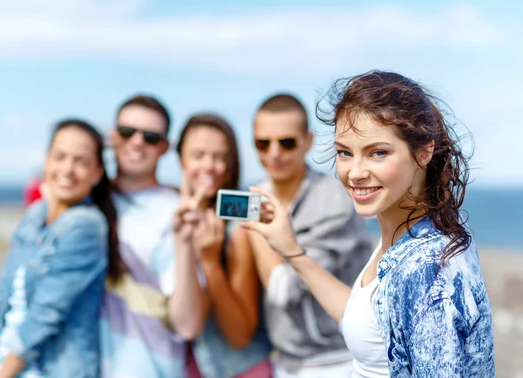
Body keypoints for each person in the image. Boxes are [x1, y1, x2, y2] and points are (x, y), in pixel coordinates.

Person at [242, 71, 495, 377]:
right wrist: (291, 251)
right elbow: (366, 320)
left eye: (378, 152)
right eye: (344, 153)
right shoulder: (402, 236)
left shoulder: (427, 267)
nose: (355, 172)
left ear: (424, 151)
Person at [0, 119, 125, 378]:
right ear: (46, 161)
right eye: (60, 157)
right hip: (4, 367)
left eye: (81, 161)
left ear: (97, 173)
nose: (68, 169)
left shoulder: (86, 226)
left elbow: (44, 318)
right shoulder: (34, 215)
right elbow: (0, 299)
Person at [248, 94, 372, 377]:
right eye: (263, 143)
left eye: (287, 142)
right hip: (284, 360)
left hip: (334, 360)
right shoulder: (257, 194)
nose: (274, 153)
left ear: (308, 141)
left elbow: (285, 290)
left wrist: (255, 230)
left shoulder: (333, 201)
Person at [100, 94, 209, 378]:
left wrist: (184, 243)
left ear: (164, 147)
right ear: (112, 136)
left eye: (149, 136)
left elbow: (187, 324)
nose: (136, 142)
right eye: (127, 131)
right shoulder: (89, 202)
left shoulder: (174, 212)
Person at [176, 113, 272, 377]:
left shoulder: (239, 228)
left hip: (241, 369)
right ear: (180, 158)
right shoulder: (171, 212)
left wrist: (210, 262)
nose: (209, 166)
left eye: (220, 157)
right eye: (198, 155)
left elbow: (239, 336)